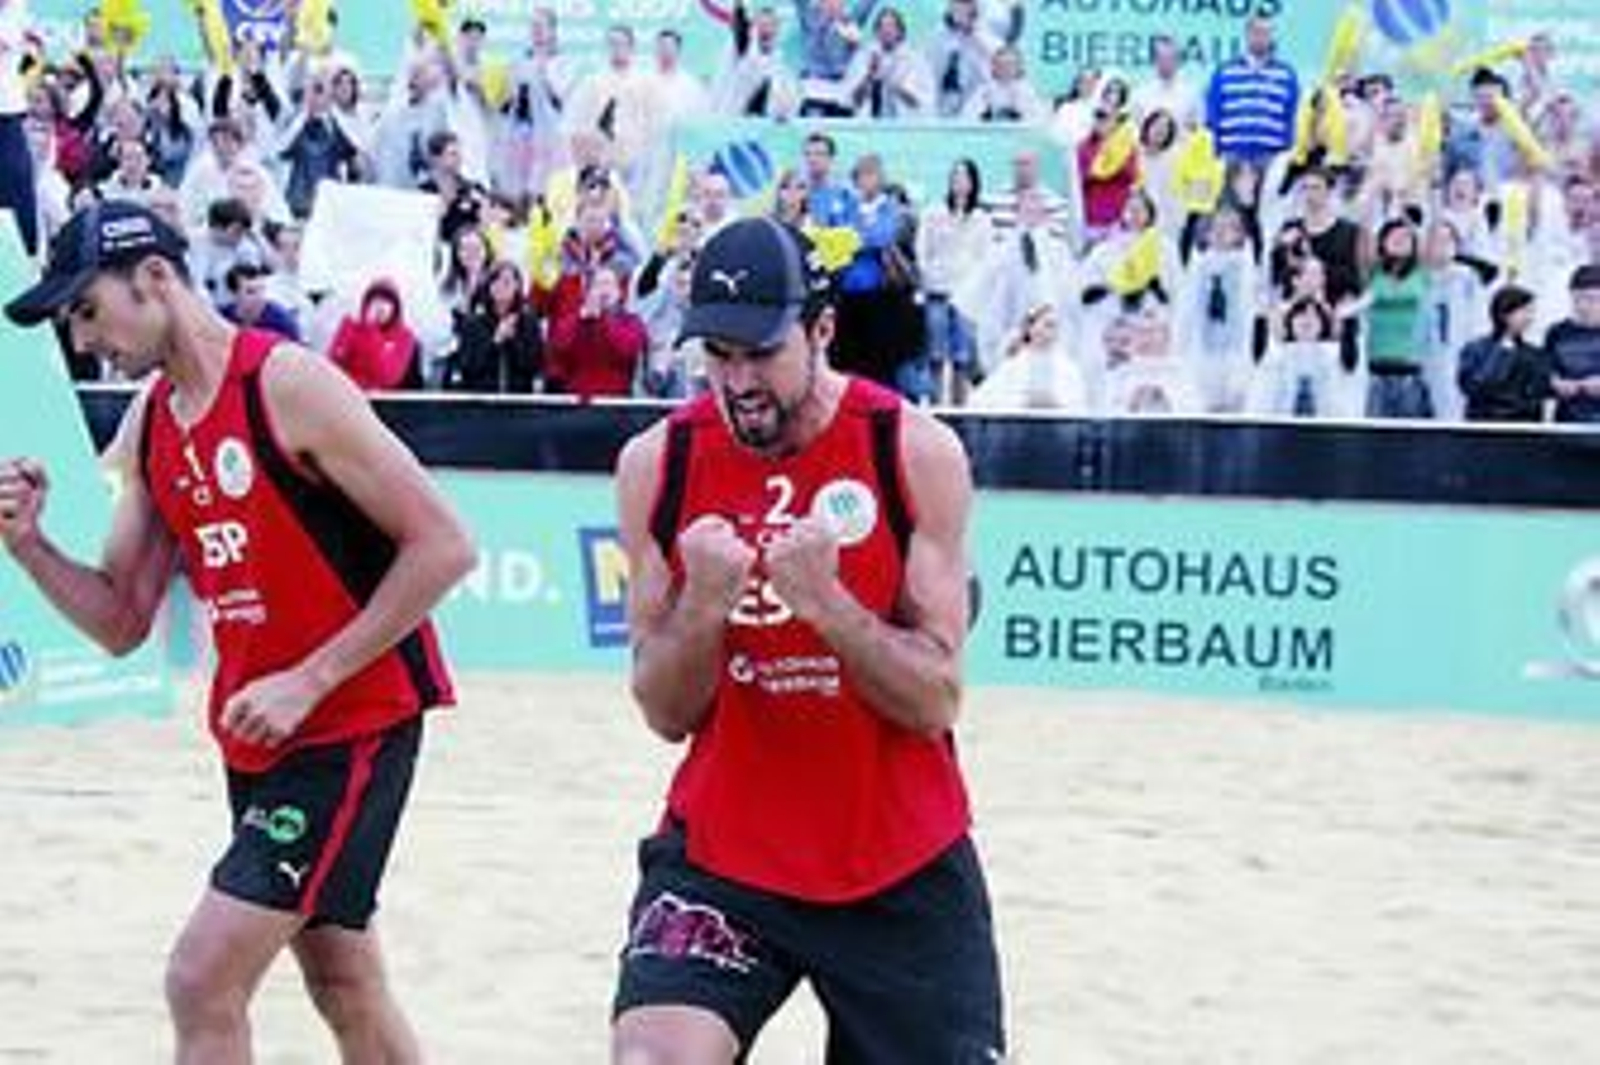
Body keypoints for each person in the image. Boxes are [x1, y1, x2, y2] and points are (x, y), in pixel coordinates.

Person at [0, 201, 475, 1063]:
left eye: (86, 308)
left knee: (200, 976)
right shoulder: (151, 422)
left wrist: (309, 678)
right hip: (261, 734)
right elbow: (119, 621)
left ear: (154, 278)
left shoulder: (285, 383)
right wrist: (28, 545)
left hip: (352, 722)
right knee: (345, 982)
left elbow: (445, 545)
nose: (82, 336)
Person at [609, 217, 1005, 1063]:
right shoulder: (659, 463)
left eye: (761, 353)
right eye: (717, 355)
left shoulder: (911, 450)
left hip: (896, 858)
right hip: (726, 850)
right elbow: (664, 711)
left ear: (822, 331)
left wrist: (828, 607)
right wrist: (705, 605)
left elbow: (936, 697)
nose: (739, 380)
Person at [1457, 284, 1552, 423]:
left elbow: (1535, 397)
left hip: (1523, 432)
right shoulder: (1475, 349)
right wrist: (1502, 352)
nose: (1530, 317)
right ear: (1504, 313)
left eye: (1531, 312)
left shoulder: (1534, 354)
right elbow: (1474, 388)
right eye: (1525, 311)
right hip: (1482, 431)